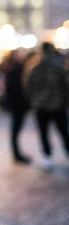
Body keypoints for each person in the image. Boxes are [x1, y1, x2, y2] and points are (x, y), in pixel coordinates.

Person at [26, 42, 69, 170]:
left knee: (44, 133)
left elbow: (28, 86)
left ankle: (47, 157)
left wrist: (34, 100)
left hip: (41, 106)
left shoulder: (35, 66)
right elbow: (66, 86)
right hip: (58, 105)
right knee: (63, 132)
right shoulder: (59, 66)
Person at [2, 50, 31, 164]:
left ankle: (17, 154)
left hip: (17, 105)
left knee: (16, 130)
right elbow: (14, 88)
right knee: (15, 130)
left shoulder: (14, 69)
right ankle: (17, 154)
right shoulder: (15, 70)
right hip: (18, 105)